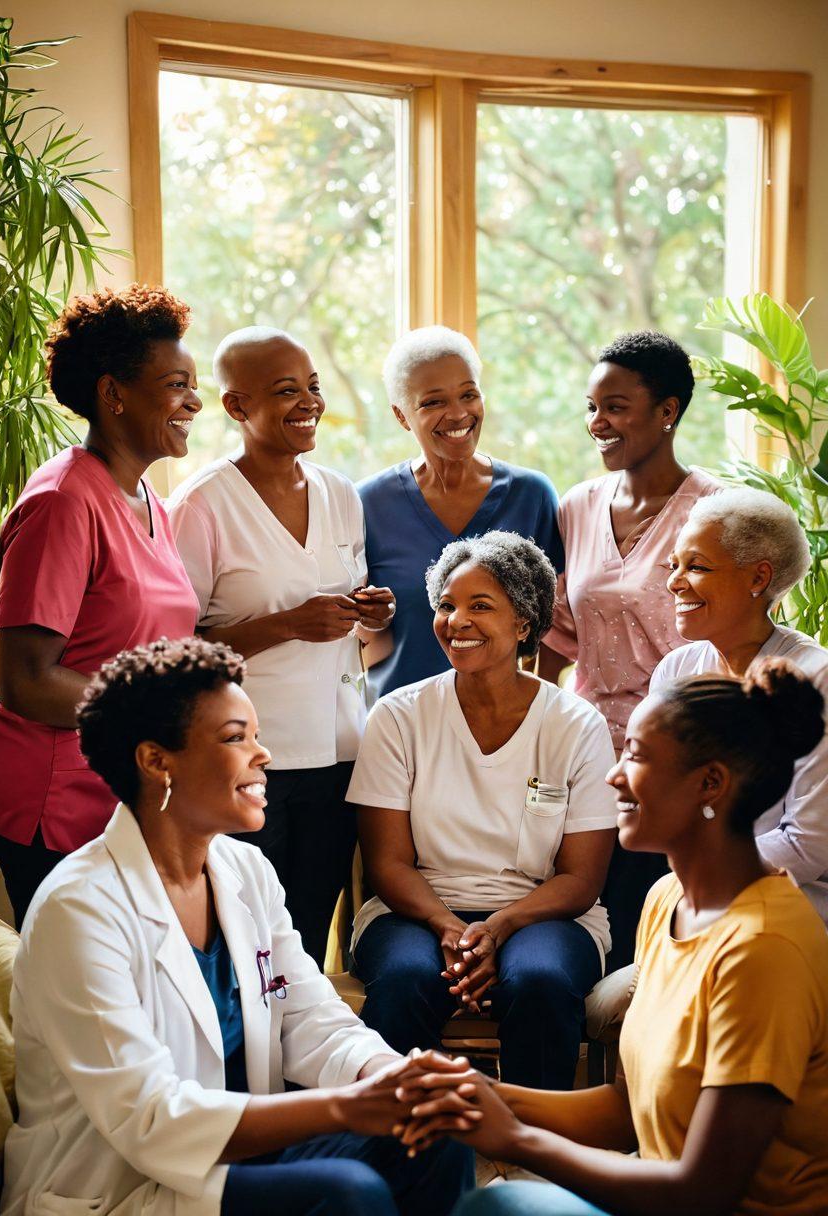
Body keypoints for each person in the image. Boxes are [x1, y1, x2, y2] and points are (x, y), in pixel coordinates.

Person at [0, 637, 475, 1216]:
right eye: (235, 738)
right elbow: (148, 1118)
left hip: (235, 1156)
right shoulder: (80, 908)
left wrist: (391, 1078)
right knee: (348, 1193)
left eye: (256, 734)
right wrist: (348, 1107)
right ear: (156, 761)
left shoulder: (244, 870)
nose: (263, 754)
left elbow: (309, 1018)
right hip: (117, 1185)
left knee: (435, 1141)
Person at [400, 659, 828, 1216]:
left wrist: (512, 1138)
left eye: (638, 756)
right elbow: (630, 1109)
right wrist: (476, 1095)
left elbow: (701, 1192)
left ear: (710, 783)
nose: (613, 775)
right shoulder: (668, 899)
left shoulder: (764, 948)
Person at [350, 533, 617, 1090]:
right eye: (447, 605)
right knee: (404, 979)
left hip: (546, 914)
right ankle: (400, 1149)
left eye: (480, 606)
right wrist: (448, 924)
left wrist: (500, 926)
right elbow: (389, 863)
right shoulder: (398, 716)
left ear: (524, 623)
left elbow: (582, 877)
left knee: (540, 981)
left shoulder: (576, 725)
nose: (456, 620)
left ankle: (537, 1152)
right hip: (416, 909)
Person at [168, 327, 395, 966]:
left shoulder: (340, 494)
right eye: (286, 391)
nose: (309, 403)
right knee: (245, 944)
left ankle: (303, 1071)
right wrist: (285, 624)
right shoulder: (203, 504)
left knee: (307, 945)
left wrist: (371, 613)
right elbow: (175, 654)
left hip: (341, 754)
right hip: (249, 763)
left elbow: (359, 635)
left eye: (314, 387)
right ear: (237, 407)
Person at [0, 285, 201, 927]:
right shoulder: (63, 501)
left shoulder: (151, 504)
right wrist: (150, 720)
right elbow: (24, 682)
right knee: (79, 1013)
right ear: (114, 394)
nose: (193, 400)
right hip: (56, 808)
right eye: (175, 384)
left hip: (126, 800)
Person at [540, 331, 720, 968]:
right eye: (591, 407)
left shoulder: (717, 511)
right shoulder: (577, 506)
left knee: (659, 949)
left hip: (676, 764)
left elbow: (735, 648)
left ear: (667, 411)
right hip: (588, 762)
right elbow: (557, 638)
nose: (598, 423)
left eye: (614, 406)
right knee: (593, 941)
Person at [651, 485, 828, 920]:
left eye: (697, 566)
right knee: (606, 993)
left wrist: (697, 875)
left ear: (758, 578)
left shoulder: (815, 678)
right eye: (674, 565)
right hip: (693, 896)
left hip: (790, 909)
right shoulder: (677, 670)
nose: (674, 582)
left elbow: (808, 844)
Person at [358, 327, 564, 699]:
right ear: (402, 416)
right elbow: (362, 640)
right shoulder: (366, 505)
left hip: (506, 727)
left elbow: (549, 633)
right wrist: (370, 620)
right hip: (400, 726)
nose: (458, 414)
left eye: (468, 394)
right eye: (433, 402)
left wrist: (538, 717)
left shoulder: (532, 495)